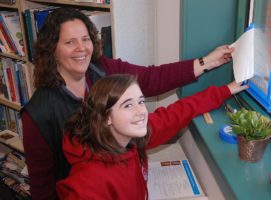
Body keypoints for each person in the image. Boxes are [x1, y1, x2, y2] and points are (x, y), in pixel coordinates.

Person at [21, 7, 234, 200]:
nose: (81, 48)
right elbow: (42, 190)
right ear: (52, 50)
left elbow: (154, 78)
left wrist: (209, 62)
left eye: (85, 39)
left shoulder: (103, 70)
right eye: (70, 42)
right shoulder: (38, 114)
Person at [56, 74, 247, 199]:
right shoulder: (89, 183)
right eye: (128, 105)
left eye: (141, 101)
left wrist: (226, 90)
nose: (141, 112)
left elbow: (177, 113)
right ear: (106, 117)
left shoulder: (131, 136)